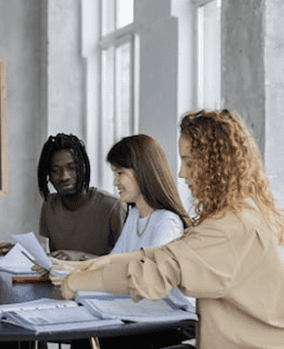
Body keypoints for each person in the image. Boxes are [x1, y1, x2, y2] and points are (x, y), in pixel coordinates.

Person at [56, 110, 284, 348]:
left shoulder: (230, 228)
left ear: (216, 165)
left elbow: (157, 274)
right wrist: (107, 262)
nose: (182, 174)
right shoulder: (242, 212)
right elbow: (173, 252)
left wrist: (79, 282)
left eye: (189, 162)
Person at [53, 134, 195, 348]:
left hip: (166, 325)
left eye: (120, 173)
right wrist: (67, 268)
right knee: (83, 335)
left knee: (87, 337)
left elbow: (144, 277)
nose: (115, 182)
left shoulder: (167, 222)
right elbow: (114, 262)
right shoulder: (136, 215)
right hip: (141, 314)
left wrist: (78, 277)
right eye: (114, 173)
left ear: (143, 173)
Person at [37, 133, 125, 261]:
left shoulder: (112, 206)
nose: (64, 177)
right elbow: (57, 259)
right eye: (55, 171)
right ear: (48, 176)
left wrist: (79, 258)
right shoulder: (49, 205)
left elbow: (126, 261)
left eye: (72, 168)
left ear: (84, 168)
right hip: (64, 279)